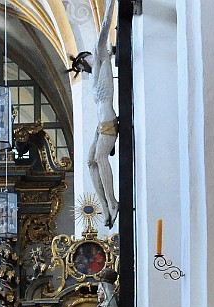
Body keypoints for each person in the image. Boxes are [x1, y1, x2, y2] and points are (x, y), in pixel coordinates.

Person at [87, 0, 119, 228]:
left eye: (82, 61)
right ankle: (105, 206)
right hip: (100, 125)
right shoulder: (95, 72)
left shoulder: (102, 55)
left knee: (100, 158)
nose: (82, 65)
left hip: (108, 121)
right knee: (90, 162)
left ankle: (113, 202)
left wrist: (109, 4)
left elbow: (105, 26)